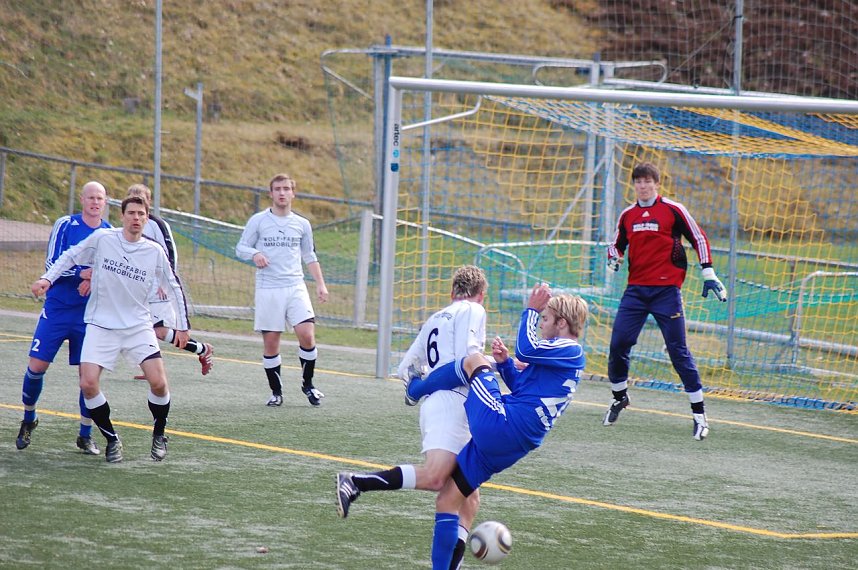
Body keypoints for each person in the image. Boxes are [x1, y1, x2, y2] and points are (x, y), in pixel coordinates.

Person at [337, 283, 587, 570]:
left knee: (474, 361)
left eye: (545, 319)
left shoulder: (569, 348)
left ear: (562, 323)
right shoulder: (560, 355)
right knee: (449, 500)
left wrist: (531, 309)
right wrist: (505, 365)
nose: (541, 323)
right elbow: (522, 386)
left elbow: (526, 348)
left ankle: (415, 390)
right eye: (540, 318)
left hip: (504, 425)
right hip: (512, 443)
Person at [336, 265, 488, 569]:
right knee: (435, 477)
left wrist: (418, 388)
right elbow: (468, 357)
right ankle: (356, 482)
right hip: (453, 403)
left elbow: (405, 368)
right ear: (481, 296)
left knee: (468, 498)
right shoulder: (473, 310)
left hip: (440, 404)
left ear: (451, 292)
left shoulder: (435, 318)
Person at [31, 195, 191, 463]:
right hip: (101, 324)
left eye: (142, 214)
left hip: (138, 325)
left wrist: (183, 326)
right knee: (88, 383)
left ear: (147, 218)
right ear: (122, 216)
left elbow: (174, 286)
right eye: (132, 213)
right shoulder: (104, 239)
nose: (136, 218)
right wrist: (48, 277)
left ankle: (159, 434)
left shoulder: (154, 251)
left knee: (159, 383)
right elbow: (70, 256)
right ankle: (112, 439)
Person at [603, 161, 727, 440]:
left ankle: (699, 414)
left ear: (657, 184)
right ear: (633, 185)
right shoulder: (627, 215)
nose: (643, 185)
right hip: (635, 291)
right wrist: (614, 257)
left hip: (666, 292)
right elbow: (616, 244)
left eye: (648, 181)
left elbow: (699, 238)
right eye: (638, 181)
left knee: (678, 351)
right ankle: (619, 396)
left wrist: (708, 271)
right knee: (619, 343)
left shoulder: (673, 210)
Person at [15, 181, 112, 455]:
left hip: (89, 315)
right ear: (82, 199)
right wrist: (83, 273)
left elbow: (110, 273)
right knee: (36, 366)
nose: (95, 202)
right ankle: (28, 418)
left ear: (105, 203)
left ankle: (85, 434)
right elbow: (52, 264)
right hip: (58, 308)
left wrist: (96, 281)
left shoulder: (109, 234)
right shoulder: (66, 225)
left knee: (88, 378)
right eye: (91, 197)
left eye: (100, 198)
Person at [235, 173, 329, 407]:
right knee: (271, 343)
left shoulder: (302, 224)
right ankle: (276, 392)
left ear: (293, 193)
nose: (282, 193)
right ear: (271, 193)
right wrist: (254, 254)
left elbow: (309, 255)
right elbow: (241, 247)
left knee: (307, 334)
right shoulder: (259, 220)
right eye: (277, 189)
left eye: (286, 188)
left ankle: (308, 385)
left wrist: (320, 284)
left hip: (295, 286)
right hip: (269, 289)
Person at [125, 184, 214, 378]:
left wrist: (162, 283)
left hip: (158, 287)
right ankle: (148, 367)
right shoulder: (126, 224)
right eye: (132, 196)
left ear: (149, 202)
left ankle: (202, 349)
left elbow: (169, 255)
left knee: (160, 331)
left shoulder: (157, 224)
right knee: (139, 326)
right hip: (138, 286)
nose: (137, 200)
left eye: (141, 197)